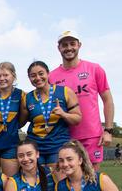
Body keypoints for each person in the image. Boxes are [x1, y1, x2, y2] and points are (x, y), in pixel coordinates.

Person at [49, 31, 115, 170]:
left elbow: (107, 100)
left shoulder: (94, 69)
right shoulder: (52, 77)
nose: (69, 48)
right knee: (66, 180)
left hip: (91, 135)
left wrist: (108, 130)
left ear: (79, 45)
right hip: (64, 136)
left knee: (92, 179)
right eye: (64, 45)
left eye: (72, 44)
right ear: (58, 48)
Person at [19, 61, 82, 169]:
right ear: (29, 78)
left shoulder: (65, 92)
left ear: (48, 74)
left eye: (41, 73)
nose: (38, 78)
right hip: (35, 146)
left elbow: (77, 119)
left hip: (58, 145)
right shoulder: (27, 98)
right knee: (40, 182)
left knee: (59, 181)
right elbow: (20, 123)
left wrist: (63, 114)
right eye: (33, 76)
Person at [0, 62, 24, 176]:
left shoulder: (21, 95)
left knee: (10, 181)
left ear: (13, 76)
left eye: (5, 75)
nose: (2, 78)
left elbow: (23, 119)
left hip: (10, 145)